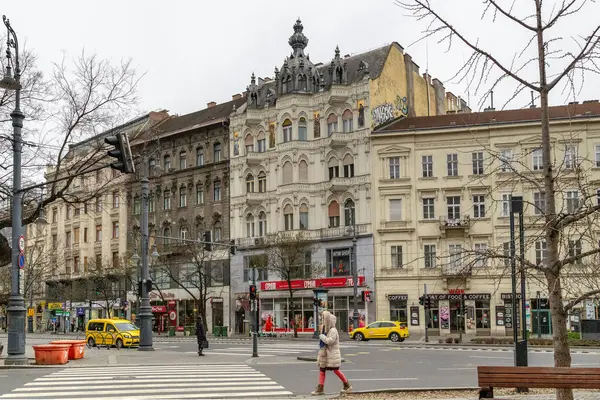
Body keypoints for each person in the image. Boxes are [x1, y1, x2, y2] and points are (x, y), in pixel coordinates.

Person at [312, 311, 352, 395]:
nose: (323, 322)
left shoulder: (333, 330)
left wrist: (322, 336)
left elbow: (330, 341)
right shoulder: (327, 330)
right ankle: (320, 388)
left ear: (329, 321)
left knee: (336, 370)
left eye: (324, 320)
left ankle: (347, 385)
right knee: (322, 370)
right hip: (326, 354)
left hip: (332, 354)